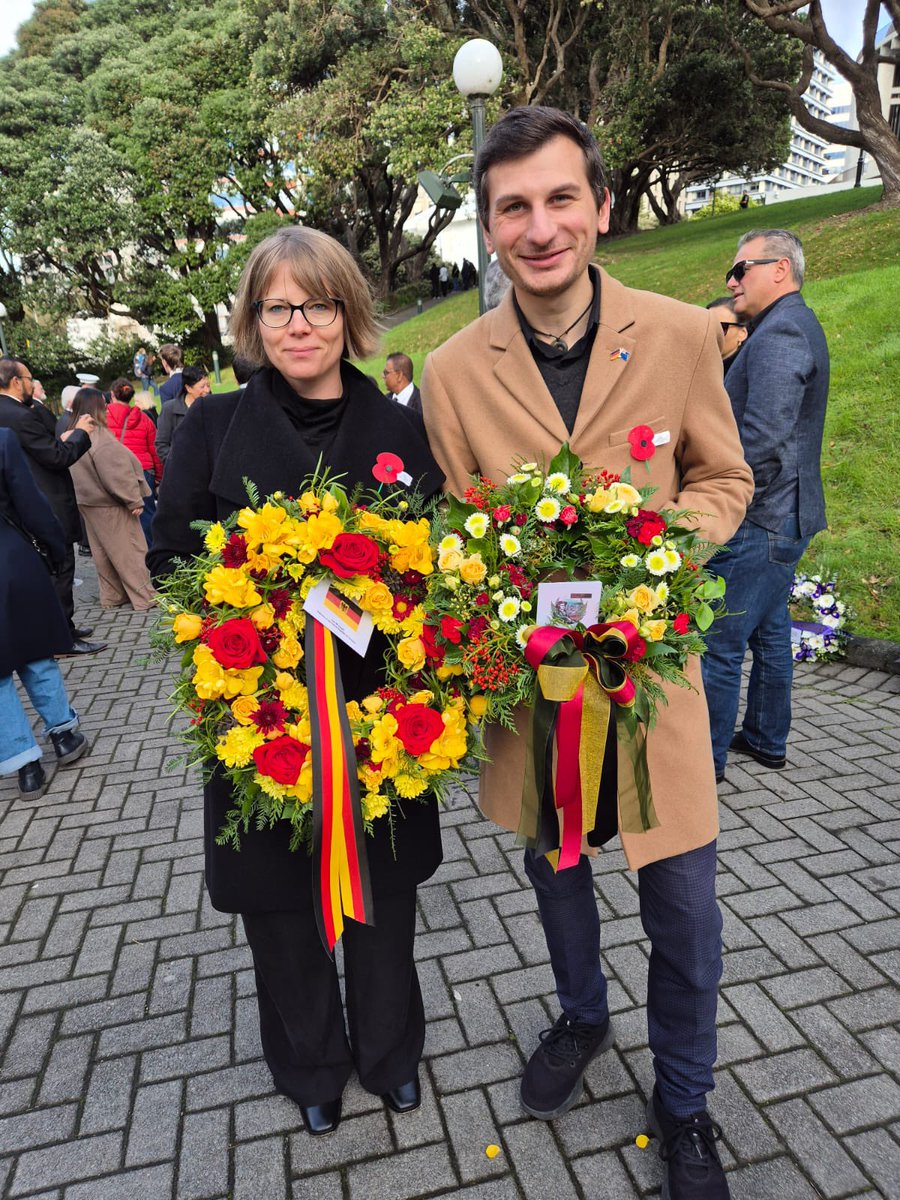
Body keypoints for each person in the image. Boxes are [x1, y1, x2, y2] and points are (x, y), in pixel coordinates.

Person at [421, 105, 754, 1199]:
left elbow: (724, 478)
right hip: (539, 695)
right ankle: (580, 1015)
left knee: (685, 913)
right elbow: (456, 521)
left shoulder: (675, 333)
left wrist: (663, 557)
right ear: (490, 228)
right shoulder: (454, 371)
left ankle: (688, 1102)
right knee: (557, 876)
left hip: (653, 689)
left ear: (602, 208)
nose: (540, 225)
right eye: (513, 206)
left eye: (561, 197)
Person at [148, 224, 445, 1137]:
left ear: (348, 312)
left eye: (318, 305)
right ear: (253, 320)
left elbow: (433, 562)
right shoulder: (208, 424)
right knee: (278, 901)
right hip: (260, 706)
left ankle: (390, 1051)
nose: (299, 325)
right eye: (279, 307)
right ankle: (309, 1061)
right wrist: (262, 587)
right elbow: (169, 556)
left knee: (382, 896)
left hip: (375, 708)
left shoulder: (398, 426)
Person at [702, 230, 828, 784]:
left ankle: (702, 769)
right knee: (771, 631)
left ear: (780, 268)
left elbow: (762, 442)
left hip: (761, 520)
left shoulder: (780, 333)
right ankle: (765, 739)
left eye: (741, 269)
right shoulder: (786, 325)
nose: (731, 282)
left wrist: (724, 498)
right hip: (781, 516)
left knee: (720, 644)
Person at [0, 429, 90, 800]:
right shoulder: (3, 440)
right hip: (12, 562)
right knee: (36, 654)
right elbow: (31, 503)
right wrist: (55, 551)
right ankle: (64, 736)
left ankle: (26, 767)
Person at [0, 358, 106, 655]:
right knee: (61, 568)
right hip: (45, 500)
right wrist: (81, 433)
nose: (33, 384)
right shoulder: (19, 415)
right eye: (29, 378)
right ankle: (63, 637)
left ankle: (64, 628)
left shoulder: (13, 413)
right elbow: (56, 458)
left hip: (19, 507)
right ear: (16, 381)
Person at [67, 389, 155, 612]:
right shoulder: (98, 436)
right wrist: (133, 500)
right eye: (104, 404)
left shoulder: (71, 433)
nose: (107, 408)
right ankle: (145, 596)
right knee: (130, 549)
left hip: (87, 502)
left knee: (103, 552)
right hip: (109, 503)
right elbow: (115, 473)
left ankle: (113, 595)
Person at [106, 377, 163, 547]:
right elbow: (154, 449)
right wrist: (159, 476)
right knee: (147, 514)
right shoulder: (144, 419)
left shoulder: (102, 419)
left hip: (116, 471)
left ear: (112, 395)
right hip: (144, 470)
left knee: (121, 515)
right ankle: (153, 552)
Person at [155, 365, 211, 465]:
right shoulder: (170, 409)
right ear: (188, 388)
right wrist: (177, 464)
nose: (207, 390)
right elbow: (161, 445)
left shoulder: (213, 405)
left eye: (208, 385)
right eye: (202, 387)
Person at [705, 297, 749, 378]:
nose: (711, 333)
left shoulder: (749, 371)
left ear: (742, 333)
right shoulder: (697, 368)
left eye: (722, 327)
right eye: (707, 326)